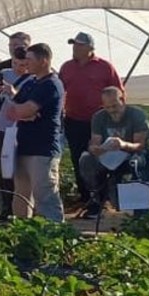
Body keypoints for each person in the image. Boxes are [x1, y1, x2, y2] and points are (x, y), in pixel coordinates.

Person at [59, 32, 123, 211]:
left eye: (79, 45)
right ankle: (86, 196)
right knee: (78, 158)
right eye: (74, 45)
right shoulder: (67, 67)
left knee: (99, 158)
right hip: (74, 120)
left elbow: (118, 92)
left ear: (90, 48)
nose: (75, 48)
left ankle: (101, 198)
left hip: (99, 122)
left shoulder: (104, 67)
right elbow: (59, 91)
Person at [6, 43, 66, 222]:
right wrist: (24, 112)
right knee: (22, 194)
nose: (26, 63)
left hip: (43, 149)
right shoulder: (31, 82)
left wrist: (23, 112)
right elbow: (13, 111)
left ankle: (55, 235)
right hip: (24, 146)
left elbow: (23, 110)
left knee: (44, 194)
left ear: (44, 61)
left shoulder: (51, 85)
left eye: (30, 59)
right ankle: (23, 232)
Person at [78, 87, 149, 217]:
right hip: (109, 155)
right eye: (108, 107)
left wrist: (123, 144)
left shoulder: (136, 114)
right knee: (86, 160)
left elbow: (140, 145)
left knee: (135, 164)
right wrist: (95, 149)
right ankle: (96, 202)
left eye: (114, 106)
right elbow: (95, 141)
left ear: (122, 100)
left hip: (132, 153)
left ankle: (138, 208)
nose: (112, 110)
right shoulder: (99, 116)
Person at [0, 33, 32, 219]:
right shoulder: (1, 72)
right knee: (4, 166)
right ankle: (7, 207)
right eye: (15, 64)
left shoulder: (34, 76)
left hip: (23, 128)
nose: (19, 68)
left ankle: (25, 207)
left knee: (24, 167)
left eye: (23, 65)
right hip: (3, 126)